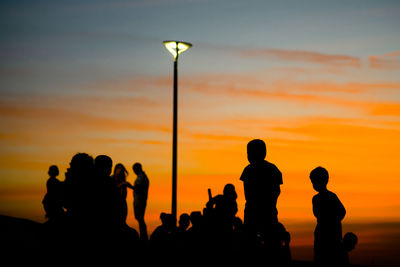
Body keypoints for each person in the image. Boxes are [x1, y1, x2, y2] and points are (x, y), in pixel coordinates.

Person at [239, 139, 283, 239]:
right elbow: (277, 191)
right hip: (262, 211)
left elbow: (247, 192)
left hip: (258, 212)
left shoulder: (249, 170)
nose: (248, 155)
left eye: (250, 152)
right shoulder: (272, 169)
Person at [310, 166, 346, 266]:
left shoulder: (318, 198)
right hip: (327, 232)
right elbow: (342, 212)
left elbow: (316, 214)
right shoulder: (330, 196)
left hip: (326, 233)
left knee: (324, 258)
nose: (313, 184)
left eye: (314, 181)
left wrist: (332, 221)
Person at [127, 162, 149, 241]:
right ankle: (143, 236)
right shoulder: (142, 176)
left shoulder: (141, 177)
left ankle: (143, 237)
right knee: (140, 219)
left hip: (140, 200)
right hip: (140, 199)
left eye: (134, 169)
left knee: (140, 219)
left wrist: (129, 186)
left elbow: (138, 188)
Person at [112, 163, 129, 228]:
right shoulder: (111, 179)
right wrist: (121, 185)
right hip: (115, 203)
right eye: (119, 168)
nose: (120, 170)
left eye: (122, 169)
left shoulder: (122, 180)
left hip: (123, 202)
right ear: (115, 169)